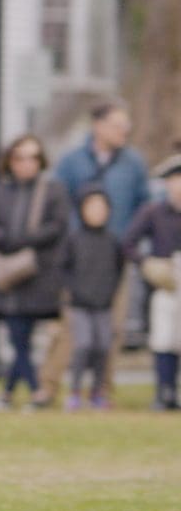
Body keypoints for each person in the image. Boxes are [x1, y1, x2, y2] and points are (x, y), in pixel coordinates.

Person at [44, 103, 152, 401]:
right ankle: (49, 387)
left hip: (115, 258)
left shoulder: (133, 163)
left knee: (112, 329)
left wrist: (130, 243)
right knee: (70, 330)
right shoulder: (72, 162)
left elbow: (144, 206)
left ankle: (102, 390)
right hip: (79, 257)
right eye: (117, 125)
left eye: (126, 126)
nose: (124, 131)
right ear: (98, 125)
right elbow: (57, 203)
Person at [0, 133, 69, 412]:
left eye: (32, 157)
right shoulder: (1, 190)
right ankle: (25, 391)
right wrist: (4, 239)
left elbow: (57, 227)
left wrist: (25, 239)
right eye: (19, 157)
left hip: (38, 274)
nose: (25, 163)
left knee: (22, 335)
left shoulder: (52, 190)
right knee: (17, 335)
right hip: (9, 274)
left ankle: (27, 391)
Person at [123, 152, 181, 411]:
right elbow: (128, 242)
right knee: (163, 338)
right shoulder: (154, 212)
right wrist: (147, 263)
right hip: (166, 281)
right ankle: (163, 391)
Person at [63, 186, 126, 411]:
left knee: (103, 347)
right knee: (83, 346)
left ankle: (98, 392)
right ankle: (75, 391)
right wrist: (73, 292)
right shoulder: (74, 239)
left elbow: (119, 269)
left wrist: (109, 292)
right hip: (80, 304)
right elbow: (65, 269)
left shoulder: (112, 240)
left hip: (104, 304)